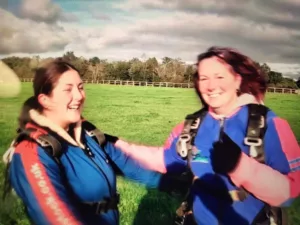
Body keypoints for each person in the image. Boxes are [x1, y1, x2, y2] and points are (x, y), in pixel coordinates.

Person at [113, 46, 300, 225]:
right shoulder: (191, 126)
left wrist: (242, 168)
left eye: (219, 76)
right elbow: (166, 159)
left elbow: (290, 193)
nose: (211, 86)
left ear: (237, 79)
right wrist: (118, 145)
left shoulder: (269, 125)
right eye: (204, 78)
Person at [2, 59, 190, 225]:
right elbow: (53, 216)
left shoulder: (89, 135)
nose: (79, 96)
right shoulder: (32, 151)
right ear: (45, 100)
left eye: (81, 87)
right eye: (68, 89)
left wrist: (184, 187)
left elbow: (132, 168)